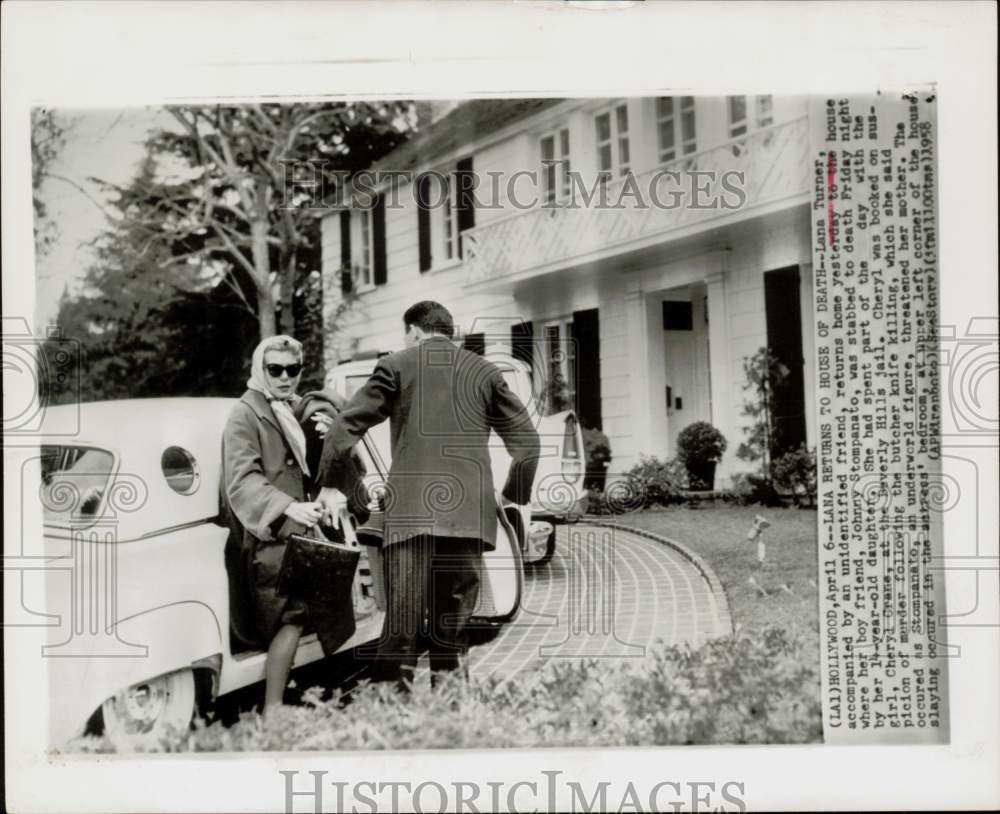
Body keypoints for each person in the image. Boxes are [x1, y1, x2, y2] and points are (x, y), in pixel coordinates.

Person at [316, 301, 540, 689]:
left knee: (401, 625)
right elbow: (529, 445)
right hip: (469, 515)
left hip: (410, 516)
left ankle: (393, 711)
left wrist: (332, 482)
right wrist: (509, 495)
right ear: (448, 332)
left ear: (415, 331)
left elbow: (343, 428)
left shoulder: (397, 366)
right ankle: (448, 715)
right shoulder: (484, 372)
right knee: (451, 629)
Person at [222, 335, 337, 710]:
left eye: (293, 369)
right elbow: (242, 479)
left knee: (306, 615)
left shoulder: (288, 409)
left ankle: (288, 702)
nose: (285, 377)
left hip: (297, 532)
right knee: (291, 617)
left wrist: (324, 487)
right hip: (267, 537)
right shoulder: (246, 412)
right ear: (260, 369)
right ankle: (272, 712)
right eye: (276, 369)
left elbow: (304, 469)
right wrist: (288, 507)